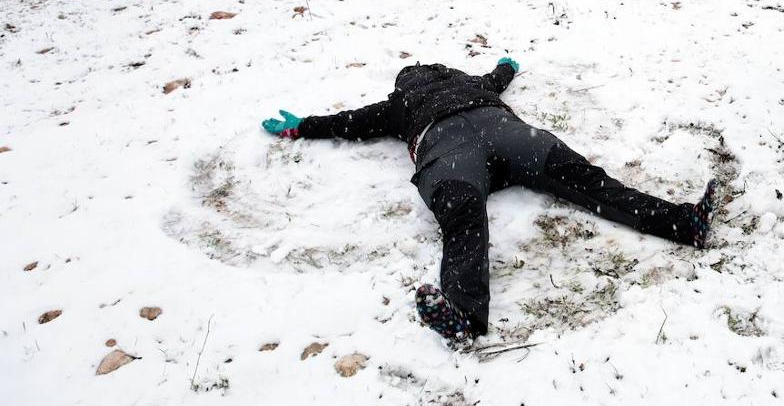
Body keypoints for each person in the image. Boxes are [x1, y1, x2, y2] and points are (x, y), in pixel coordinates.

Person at [261, 57, 718, 344]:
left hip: (455, 143)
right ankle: (681, 223)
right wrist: (507, 69)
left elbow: (348, 122)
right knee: (581, 184)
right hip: (499, 135)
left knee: (473, 216)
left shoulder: (403, 103)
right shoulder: (453, 89)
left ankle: (464, 312)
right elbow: (351, 121)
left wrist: (303, 126)